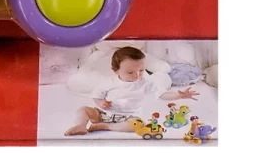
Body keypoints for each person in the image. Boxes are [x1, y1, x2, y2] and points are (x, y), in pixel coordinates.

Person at [65, 46, 200, 136]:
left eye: (141, 70)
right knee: (83, 110)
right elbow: (96, 95)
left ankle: (106, 126)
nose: (137, 75)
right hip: (104, 113)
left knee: (137, 125)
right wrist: (101, 103)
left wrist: (179, 95)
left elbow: (162, 94)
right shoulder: (109, 82)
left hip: (128, 117)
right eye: (130, 72)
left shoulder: (145, 83)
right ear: (115, 71)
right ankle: (81, 125)